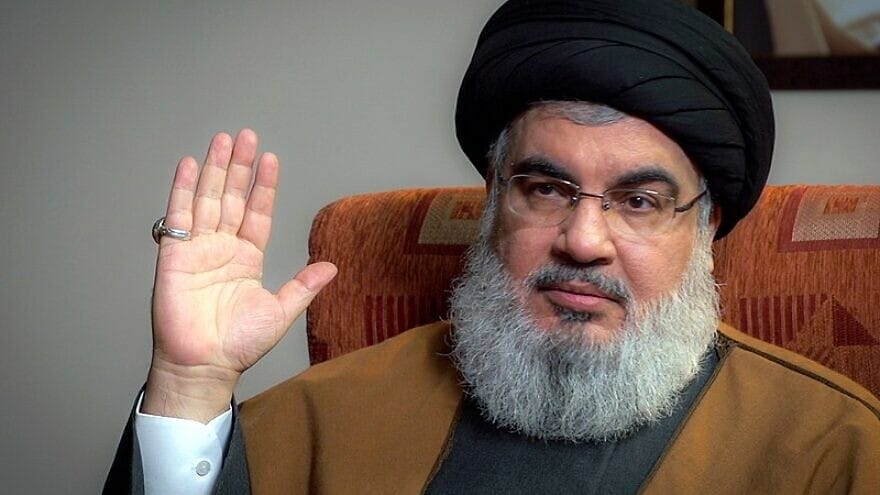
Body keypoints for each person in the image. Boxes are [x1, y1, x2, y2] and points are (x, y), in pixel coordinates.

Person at [105, 0, 880, 493]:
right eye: (546, 189)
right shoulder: (329, 419)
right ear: (494, 198)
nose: (583, 241)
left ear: (704, 227)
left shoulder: (832, 449)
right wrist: (188, 382)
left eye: (639, 202)